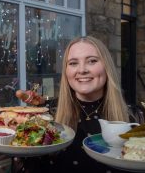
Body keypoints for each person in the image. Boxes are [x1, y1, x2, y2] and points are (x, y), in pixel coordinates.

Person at [12, 36, 133, 173]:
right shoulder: (47, 115)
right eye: (73, 63)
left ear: (107, 67)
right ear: (66, 71)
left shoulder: (136, 117)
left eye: (92, 61)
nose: (82, 70)